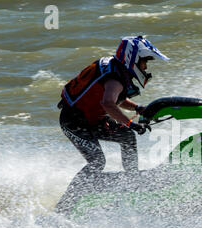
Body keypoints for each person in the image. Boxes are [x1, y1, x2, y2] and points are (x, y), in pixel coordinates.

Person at [58, 35, 169, 178]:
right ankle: (72, 197)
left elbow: (115, 99)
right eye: (144, 61)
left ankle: (132, 178)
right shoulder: (115, 78)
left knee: (127, 137)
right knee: (97, 161)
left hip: (92, 120)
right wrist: (130, 124)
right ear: (133, 58)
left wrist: (137, 108)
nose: (145, 67)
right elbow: (108, 103)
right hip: (73, 123)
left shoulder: (116, 69)